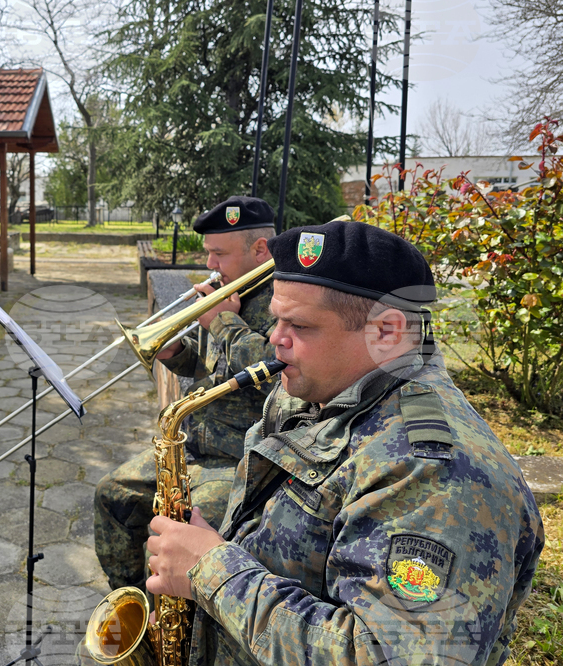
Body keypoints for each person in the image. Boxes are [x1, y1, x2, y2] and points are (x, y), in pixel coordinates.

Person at [144, 220, 545, 665]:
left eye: (298, 324)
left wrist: (211, 569)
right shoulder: (327, 384)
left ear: (388, 332)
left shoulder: (436, 472)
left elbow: (387, 656)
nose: (275, 339)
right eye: (276, 318)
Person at [94, 196, 278, 591]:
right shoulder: (229, 291)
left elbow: (275, 374)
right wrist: (178, 355)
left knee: (165, 544)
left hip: (241, 458)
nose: (209, 264)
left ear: (259, 249)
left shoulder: (285, 299)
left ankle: (167, 627)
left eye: (218, 254)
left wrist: (224, 323)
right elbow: (212, 370)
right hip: (195, 442)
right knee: (112, 494)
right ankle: (130, 603)